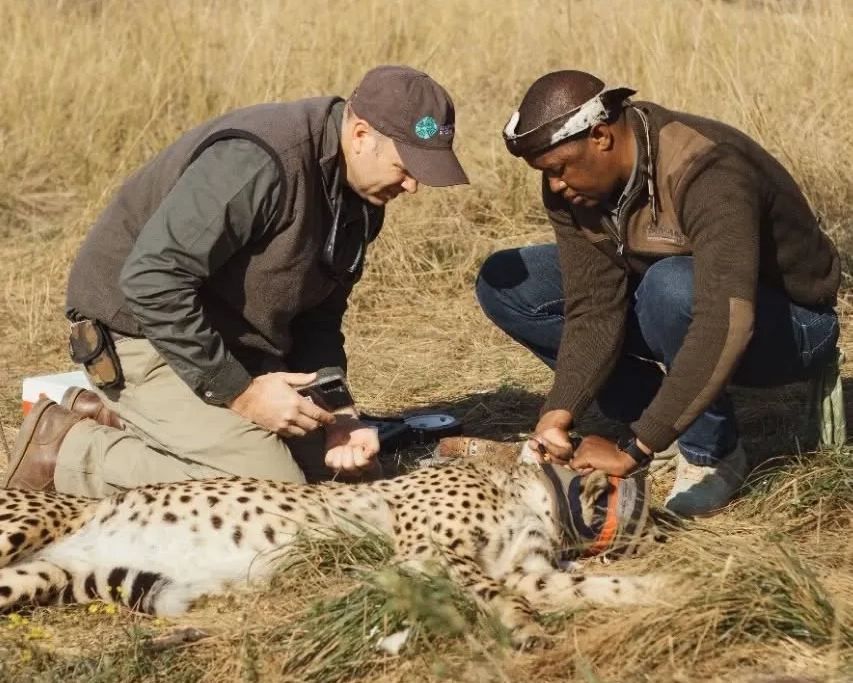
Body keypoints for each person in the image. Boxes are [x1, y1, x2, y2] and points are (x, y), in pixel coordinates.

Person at [4, 65, 469, 497]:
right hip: (140, 335)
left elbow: (320, 317)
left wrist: (340, 414)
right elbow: (151, 281)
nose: (413, 186)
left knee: (341, 481)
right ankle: (65, 451)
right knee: (274, 494)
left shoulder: (362, 197)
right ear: (362, 135)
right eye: (406, 167)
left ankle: (137, 421)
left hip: (231, 345)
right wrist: (242, 395)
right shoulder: (259, 162)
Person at [474, 70, 841, 517]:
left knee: (669, 286)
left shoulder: (707, 167)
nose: (554, 186)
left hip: (790, 325)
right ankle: (662, 415)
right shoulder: (573, 184)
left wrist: (634, 450)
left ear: (601, 137)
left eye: (558, 170)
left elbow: (725, 319)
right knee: (508, 283)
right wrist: (559, 412)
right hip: (674, 298)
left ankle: (712, 454)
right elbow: (593, 307)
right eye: (546, 173)